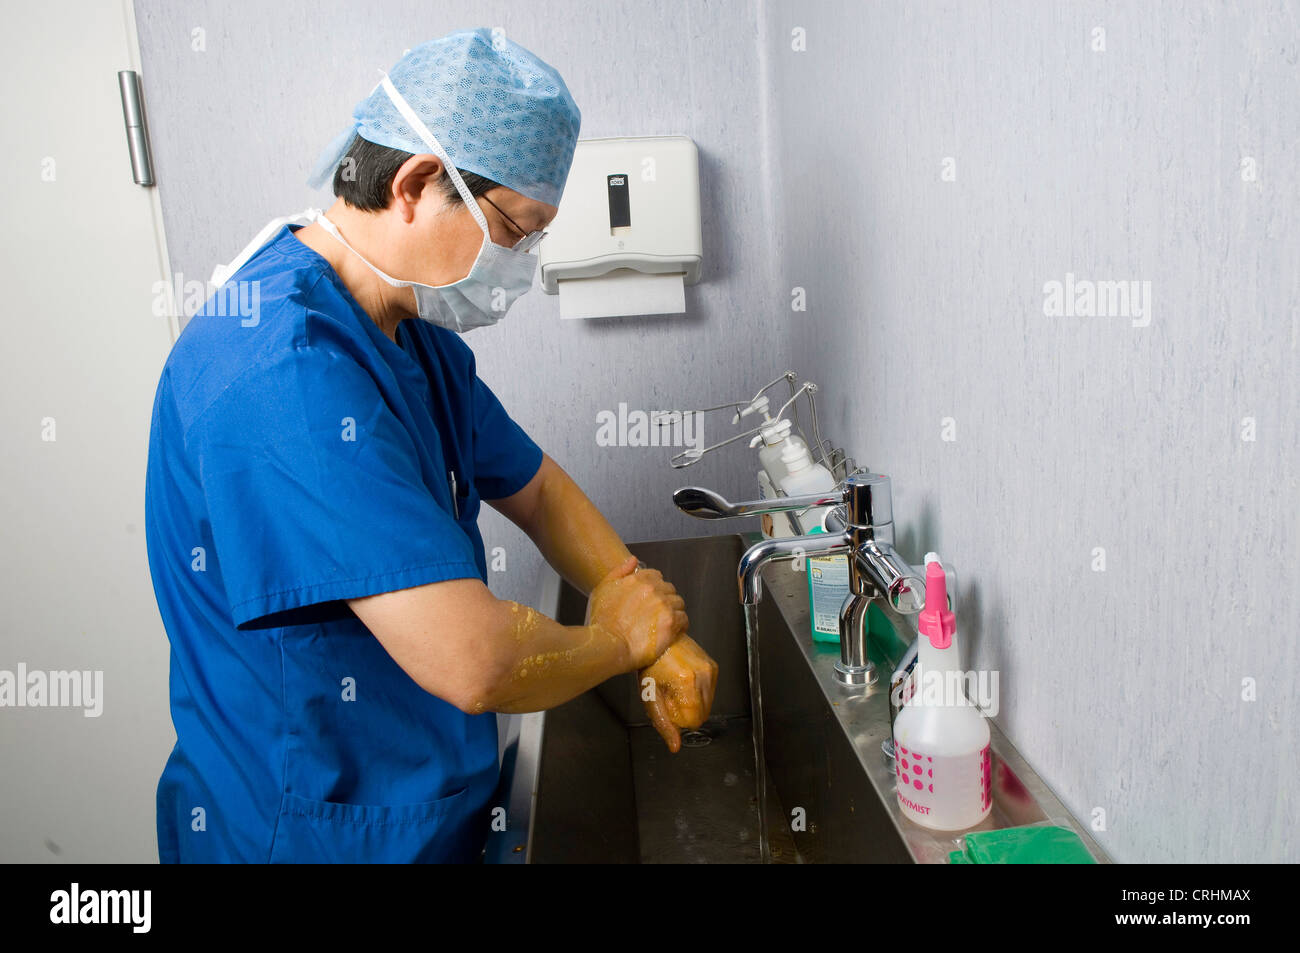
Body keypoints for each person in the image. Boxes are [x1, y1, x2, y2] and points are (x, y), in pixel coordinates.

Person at [144, 29, 718, 864]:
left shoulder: (406, 330)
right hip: (306, 835)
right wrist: (623, 641)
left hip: (421, 817)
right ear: (415, 184)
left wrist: (649, 616)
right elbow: (474, 658)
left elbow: (536, 489)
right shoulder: (281, 372)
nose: (520, 268)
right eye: (514, 232)